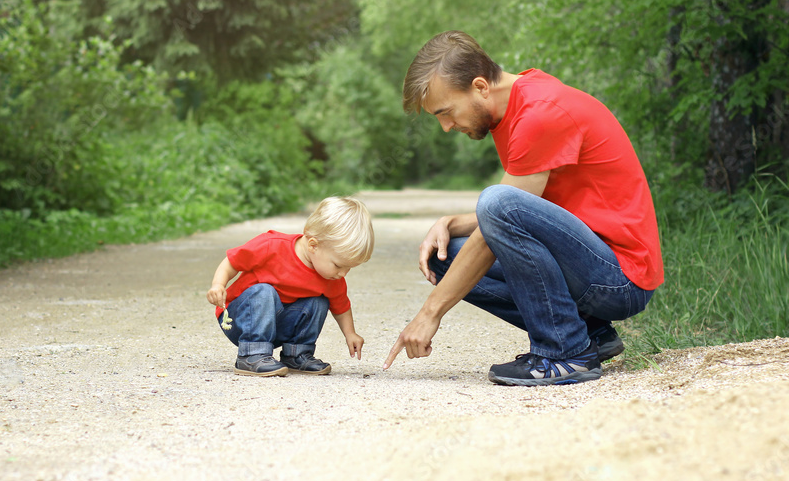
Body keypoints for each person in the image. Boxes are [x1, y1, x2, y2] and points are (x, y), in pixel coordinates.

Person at [383, 31, 664, 386]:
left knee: (495, 203)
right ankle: (591, 335)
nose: (445, 127)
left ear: (481, 86)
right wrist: (453, 223)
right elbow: (527, 211)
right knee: (444, 257)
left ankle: (565, 352)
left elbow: (501, 215)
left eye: (446, 112)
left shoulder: (539, 113)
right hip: (588, 260)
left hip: (621, 277)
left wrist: (429, 313)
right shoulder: (516, 101)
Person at [207, 196, 373, 377]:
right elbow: (232, 262)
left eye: (349, 268)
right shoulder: (271, 246)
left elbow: (341, 307)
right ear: (313, 245)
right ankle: (251, 354)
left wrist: (350, 334)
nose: (343, 273)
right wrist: (218, 285)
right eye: (338, 265)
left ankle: (297, 354)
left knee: (319, 301)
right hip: (239, 320)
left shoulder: (331, 277)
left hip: (277, 326)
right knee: (264, 291)